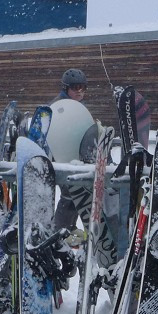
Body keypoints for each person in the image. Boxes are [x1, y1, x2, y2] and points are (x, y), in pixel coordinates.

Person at [52, 69, 88, 230]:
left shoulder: (78, 107)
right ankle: (61, 230)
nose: (79, 92)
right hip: (61, 158)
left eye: (82, 87)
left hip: (76, 157)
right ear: (66, 88)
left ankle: (69, 229)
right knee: (70, 194)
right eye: (75, 88)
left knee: (77, 194)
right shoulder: (59, 107)